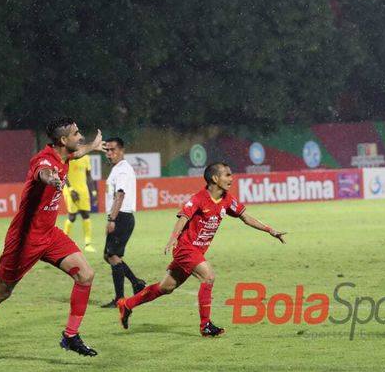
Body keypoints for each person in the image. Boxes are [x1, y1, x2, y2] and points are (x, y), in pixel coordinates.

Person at [0, 118, 103, 365]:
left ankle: (70, 335)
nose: (81, 137)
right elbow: (41, 172)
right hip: (24, 241)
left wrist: (92, 147)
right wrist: (51, 180)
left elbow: (73, 156)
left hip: (49, 234)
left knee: (85, 275)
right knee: (2, 291)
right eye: (76, 134)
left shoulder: (64, 155)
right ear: (63, 140)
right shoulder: (44, 161)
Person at [117, 162, 286, 337]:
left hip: (196, 252)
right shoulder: (198, 199)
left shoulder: (227, 199)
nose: (231, 178)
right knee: (208, 276)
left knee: (166, 287)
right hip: (185, 249)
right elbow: (183, 218)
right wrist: (173, 238)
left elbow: (245, 217)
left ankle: (127, 304)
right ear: (215, 178)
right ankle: (205, 325)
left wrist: (269, 230)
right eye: (227, 175)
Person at [101, 137, 146, 308]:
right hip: (119, 216)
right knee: (109, 255)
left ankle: (120, 299)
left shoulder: (122, 170)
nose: (109, 154)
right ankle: (137, 283)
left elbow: (120, 195)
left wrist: (112, 219)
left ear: (122, 151)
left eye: (113, 150)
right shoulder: (117, 169)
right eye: (107, 150)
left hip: (122, 217)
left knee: (112, 256)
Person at [63, 154, 96, 252]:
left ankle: (88, 244)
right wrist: (71, 189)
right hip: (70, 191)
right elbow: (63, 174)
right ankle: (63, 242)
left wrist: (94, 192)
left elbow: (88, 176)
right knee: (72, 216)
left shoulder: (86, 157)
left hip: (83, 191)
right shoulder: (68, 157)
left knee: (86, 215)